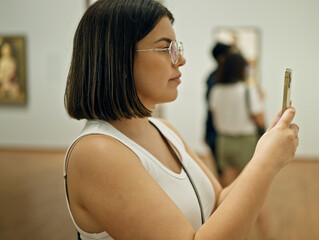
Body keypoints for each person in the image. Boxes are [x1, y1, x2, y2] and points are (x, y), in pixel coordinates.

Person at [63, 0, 299, 239]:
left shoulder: (163, 129)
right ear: (118, 57)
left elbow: (217, 204)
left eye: (177, 47)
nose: (181, 59)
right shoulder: (96, 152)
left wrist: (264, 154)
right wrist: (265, 164)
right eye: (166, 48)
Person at [209, 53, 269, 239]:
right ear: (241, 69)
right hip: (245, 142)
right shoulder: (247, 91)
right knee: (256, 194)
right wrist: (260, 100)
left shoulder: (216, 90)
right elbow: (260, 120)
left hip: (224, 142)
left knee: (227, 197)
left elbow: (214, 114)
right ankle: (266, 236)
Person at [204, 42, 231, 176]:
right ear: (221, 57)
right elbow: (210, 109)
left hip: (218, 131)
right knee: (222, 172)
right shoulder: (214, 79)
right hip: (216, 132)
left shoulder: (215, 77)